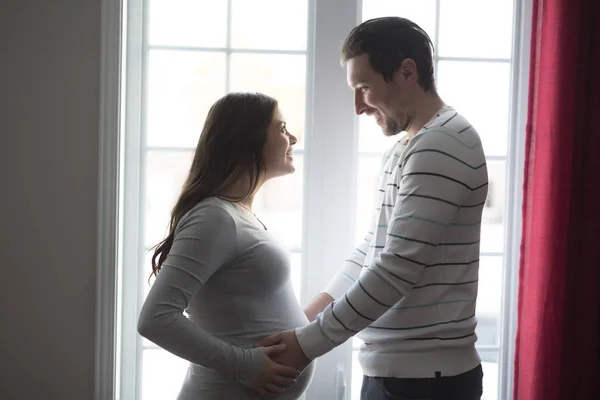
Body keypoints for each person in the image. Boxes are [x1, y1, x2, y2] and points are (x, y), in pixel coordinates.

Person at [260, 17, 488, 400]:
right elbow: (373, 248)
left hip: (425, 382)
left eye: (363, 87)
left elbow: (397, 268)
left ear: (406, 72)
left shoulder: (443, 143)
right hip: (400, 374)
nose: (358, 107)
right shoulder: (407, 147)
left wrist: (307, 343)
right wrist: (309, 315)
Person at [137, 92, 315, 400]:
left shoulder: (237, 213)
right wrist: (246, 365)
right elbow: (156, 318)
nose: (293, 138)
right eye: (282, 128)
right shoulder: (214, 217)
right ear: (249, 139)